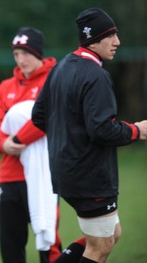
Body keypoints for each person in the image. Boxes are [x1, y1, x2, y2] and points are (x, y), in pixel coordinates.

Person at [31, 7, 147, 263]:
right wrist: (137, 130)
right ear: (94, 38)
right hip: (90, 176)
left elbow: (39, 116)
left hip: (65, 171)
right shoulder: (96, 75)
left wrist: (69, 137)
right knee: (100, 247)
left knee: (112, 234)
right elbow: (103, 130)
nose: (117, 42)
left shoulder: (61, 67)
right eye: (111, 35)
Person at [0, 27, 62, 263]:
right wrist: (3, 143)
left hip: (45, 175)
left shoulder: (55, 80)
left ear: (38, 53)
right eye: (16, 55)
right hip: (10, 174)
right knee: (10, 245)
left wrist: (18, 139)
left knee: (47, 241)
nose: (21, 60)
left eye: (26, 54)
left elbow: (47, 121)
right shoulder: (5, 87)